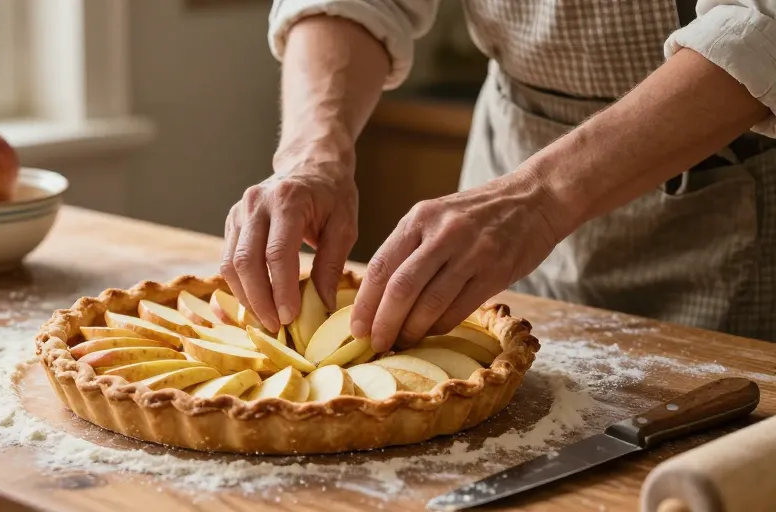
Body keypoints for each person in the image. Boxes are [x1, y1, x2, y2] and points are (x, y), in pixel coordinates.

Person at [220, 0, 776, 351]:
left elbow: (760, 26)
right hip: (511, 166)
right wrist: (312, 152)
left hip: (743, 199)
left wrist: (537, 198)